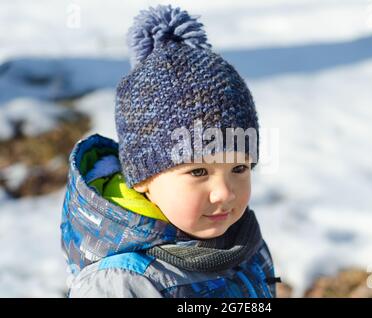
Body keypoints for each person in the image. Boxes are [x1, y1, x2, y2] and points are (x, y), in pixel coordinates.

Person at [61, 4, 279, 298]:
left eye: (239, 168)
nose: (225, 193)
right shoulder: (121, 282)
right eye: (199, 171)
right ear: (143, 179)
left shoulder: (240, 238)